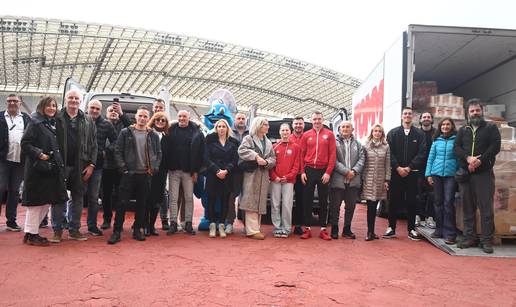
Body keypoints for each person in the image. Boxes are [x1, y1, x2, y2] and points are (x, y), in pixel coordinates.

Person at [108, 107, 162, 244]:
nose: (142, 118)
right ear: (136, 117)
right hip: (128, 174)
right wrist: (123, 168)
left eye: (145, 116)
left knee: (142, 204)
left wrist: (154, 168)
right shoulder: (126, 132)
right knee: (121, 203)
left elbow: (158, 153)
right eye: (140, 116)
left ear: (148, 118)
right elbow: (118, 151)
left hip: (145, 175)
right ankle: (117, 231)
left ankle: (138, 229)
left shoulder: (153, 135)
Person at [50, 90, 97, 243]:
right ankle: (57, 230)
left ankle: (74, 229)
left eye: (76, 98)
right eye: (71, 98)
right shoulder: (56, 117)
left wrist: (91, 164)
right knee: (58, 198)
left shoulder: (88, 120)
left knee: (78, 198)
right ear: (65, 100)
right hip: (60, 164)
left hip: (80, 165)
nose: (74, 101)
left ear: (81, 101)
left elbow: (94, 145)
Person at [454, 99, 501, 254]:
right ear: (468, 113)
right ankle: (469, 237)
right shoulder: (463, 130)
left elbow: (495, 146)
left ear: (482, 111)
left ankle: (486, 240)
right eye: (472, 111)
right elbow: (457, 148)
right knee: (468, 207)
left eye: (477, 110)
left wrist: (480, 160)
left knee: (486, 208)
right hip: (466, 174)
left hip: (484, 174)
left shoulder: (490, 128)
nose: (475, 113)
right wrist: (468, 159)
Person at [20, 96, 67, 245]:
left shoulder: (51, 123)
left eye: (54, 106)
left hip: (48, 169)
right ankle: (32, 234)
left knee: (45, 202)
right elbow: (25, 143)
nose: (52, 108)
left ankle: (30, 233)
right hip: (37, 170)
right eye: (49, 105)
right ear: (42, 107)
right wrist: (39, 154)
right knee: (36, 204)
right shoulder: (35, 122)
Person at [384, 107, 426, 241]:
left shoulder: (420, 134)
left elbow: (422, 153)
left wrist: (409, 167)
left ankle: (411, 229)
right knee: (393, 201)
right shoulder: (393, 133)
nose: (407, 116)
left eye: (409, 114)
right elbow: (389, 152)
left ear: (413, 116)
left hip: (412, 173)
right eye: (405, 114)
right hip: (396, 173)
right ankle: (391, 228)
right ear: (402, 116)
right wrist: (397, 167)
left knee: (412, 202)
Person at [165, 110, 204, 235]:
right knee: (173, 198)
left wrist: (196, 171)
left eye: (184, 116)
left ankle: (188, 224)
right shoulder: (171, 130)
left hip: (189, 172)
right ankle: (173, 224)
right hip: (173, 170)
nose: (182, 118)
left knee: (188, 198)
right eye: (180, 116)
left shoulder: (196, 132)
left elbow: (200, 154)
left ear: (189, 118)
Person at [300, 111, 336, 240]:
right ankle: (307, 228)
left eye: (319, 119)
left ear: (322, 119)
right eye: (314, 119)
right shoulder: (306, 135)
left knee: (323, 201)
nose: (317, 121)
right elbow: (301, 155)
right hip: (309, 170)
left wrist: (328, 172)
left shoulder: (329, 135)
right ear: (311, 120)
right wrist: (302, 172)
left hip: (323, 171)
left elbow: (333, 155)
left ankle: (323, 229)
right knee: (307, 200)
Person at [238, 117, 276, 239]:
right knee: (250, 200)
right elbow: (242, 150)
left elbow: (273, 159)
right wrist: (255, 156)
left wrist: (266, 162)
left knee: (259, 201)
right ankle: (252, 230)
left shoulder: (268, 142)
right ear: (258, 125)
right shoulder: (248, 139)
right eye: (265, 124)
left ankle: (255, 228)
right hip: (251, 175)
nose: (268, 127)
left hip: (263, 175)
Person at [85, 99, 117, 236]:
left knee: (93, 197)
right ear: (87, 108)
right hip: (79, 164)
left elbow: (116, 141)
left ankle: (92, 226)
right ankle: (71, 224)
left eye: (97, 109)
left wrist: (106, 151)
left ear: (101, 111)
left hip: (97, 166)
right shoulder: (80, 121)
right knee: (75, 196)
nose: (94, 111)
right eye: (92, 108)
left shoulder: (106, 124)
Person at [0, 94, 31, 232]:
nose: (12, 103)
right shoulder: (0, 117)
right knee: (0, 189)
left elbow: (31, 136)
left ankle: (11, 221)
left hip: (20, 161)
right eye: (9, 101)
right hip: (3, 160)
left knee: (14, 191)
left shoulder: (25, 118)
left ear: (20, 103)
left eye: (15, 101)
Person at [328, 121, 365, 240]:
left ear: (352, 129)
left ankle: (347, 229)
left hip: (353, 181)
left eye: (347, 127)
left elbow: (362, 160)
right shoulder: (334, 143)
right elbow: (333, 160)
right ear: (339, 129)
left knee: (351, 206)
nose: (345, 129)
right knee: (335, 206)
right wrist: (346, 172)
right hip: (338, 180)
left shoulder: (358, 144)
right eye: (343, 127)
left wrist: (353, 171)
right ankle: (334, 228)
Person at [425, 117, 458, 245]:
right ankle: (439, 230)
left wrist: (458, 172)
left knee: (448, 202)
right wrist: (428, 174)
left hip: (450, 175)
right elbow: (430, 158)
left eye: (448, 124)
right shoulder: (436, 141)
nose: (445, 126)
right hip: (436, 174)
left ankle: (450, 234)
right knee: (438, 202)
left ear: (452, 126)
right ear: (440, 127)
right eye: (443, 125)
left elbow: (459, 157)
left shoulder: (456, 140)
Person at [205, 119, 239, 238]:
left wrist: (226, 170)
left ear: (227, 128)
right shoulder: (209, 142)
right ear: (216, 128)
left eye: (223, 126)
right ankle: (213, 224)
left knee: (225, 200)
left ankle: (221, 225)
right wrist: (217, 170)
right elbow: (206, 159)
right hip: (213, 175)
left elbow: (234, 160)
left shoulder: (233, 143)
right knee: (212, 199)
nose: (221, 128)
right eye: (219, 126)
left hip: (227, 175)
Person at [101, 102, 131, 230]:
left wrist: (122, 113)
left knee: (121, 196)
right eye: (110, 111)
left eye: (115, 111)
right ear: (106, 114)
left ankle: (119, 221)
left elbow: (131, 126)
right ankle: (107, 219)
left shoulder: (124, 127)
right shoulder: (102, 125)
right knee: (105, 195)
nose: (113, 112)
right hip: (105, 166)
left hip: (120, 167)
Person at [269, 123, 300, 238]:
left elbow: (296, 166)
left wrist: (288, 177)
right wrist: (274, 176)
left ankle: (286, 228)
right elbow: (271, 164)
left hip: (289, 181)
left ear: (290, 132)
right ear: (280, 132)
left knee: (287, 205)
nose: (285, 132)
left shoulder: (296, 147)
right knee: (275, 204)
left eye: (287, 130)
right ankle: (277, 227)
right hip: (275, 180)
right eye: (283, 130)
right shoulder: (274, 146)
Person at [361, 124, 391, 241]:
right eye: (375, 131)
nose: (377, 133)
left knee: (376, 205)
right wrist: (362, 179)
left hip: (380, 180)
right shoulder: (366, 146)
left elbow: (387, 165)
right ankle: (369, 232)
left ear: (382, 134)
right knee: (370, 207)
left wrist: (387, 180)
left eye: (379, 131)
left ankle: (372, 232)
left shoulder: (386, 147)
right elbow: (363, 163)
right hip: (368, 179)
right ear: (372, 133)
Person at [144, 111, 170, 236]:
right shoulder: (147, 133)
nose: (160, 122)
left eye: (163, 120)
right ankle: (144, 225)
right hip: (148, 170)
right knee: (146, 198)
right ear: (153, 121)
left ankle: (151, 226)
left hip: (161, 172)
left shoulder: (167, 137)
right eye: (158, 119)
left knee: (157, 199)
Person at [225, 112, 249, 234]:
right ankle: (229, 223)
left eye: (243, 118)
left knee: (246, 198)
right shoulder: (229, 132)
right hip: (233, 171)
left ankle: (247, 225)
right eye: (238, 118)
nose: (241, 120)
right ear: (235, 120)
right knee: (231, 197)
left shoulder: (251, 133)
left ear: (246, 120)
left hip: (247, 171)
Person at [151, 99, 171, 231]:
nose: (158, 109)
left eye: (161, 107)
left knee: (162, 193)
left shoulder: (168, 132)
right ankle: (147, 222)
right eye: (156, 107)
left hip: (163, 169)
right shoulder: (147, 129)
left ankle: (164, 219)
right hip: (148, 168)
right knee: (149, 194)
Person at [417, 112, 437, 229]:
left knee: (432, 194)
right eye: (424, 117)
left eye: (428, 117)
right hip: (419, 168)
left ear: (432, 120)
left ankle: (430, 217)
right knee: (418, 194)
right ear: (420, 120)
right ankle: (418, 216)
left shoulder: (436, 133)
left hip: (433, 169)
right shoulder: (417, 133)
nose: (426, 119)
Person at [289, 116, 305, 235]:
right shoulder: (288, 138)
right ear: (292, 125)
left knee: (301, 200)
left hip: (303, 174)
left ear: (303, 125)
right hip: (289, 175)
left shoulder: (308, 137)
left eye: (300, 124)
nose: (298, 126)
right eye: (296, 124)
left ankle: (298, 225)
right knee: (286, 200)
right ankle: (286, 224)